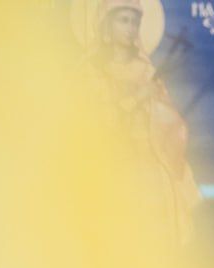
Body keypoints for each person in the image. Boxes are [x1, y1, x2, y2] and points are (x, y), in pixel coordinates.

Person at [81, 0, 199, 246]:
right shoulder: (92, 71)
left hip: (150, 159)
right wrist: (137, 99)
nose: (130, 28)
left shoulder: (146, 70)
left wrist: (158, 107)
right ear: (107, 25)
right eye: (123, 20)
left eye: (135, 22)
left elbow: (170, 121)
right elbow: (93, 122)